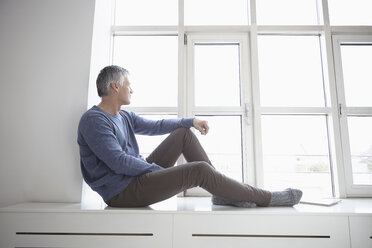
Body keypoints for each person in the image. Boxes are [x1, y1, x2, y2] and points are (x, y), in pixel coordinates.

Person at [77, 65, 302, 208]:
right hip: (122, 192)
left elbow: (157, 126)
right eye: (129, 85)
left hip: (135, 177)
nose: (132, 90)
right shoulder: (94, 120)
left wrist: (191, 122)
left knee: (183, 134)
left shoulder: (123, 116)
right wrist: (157, 170)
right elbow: (118, 161)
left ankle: (222, 194)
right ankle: (267, 198)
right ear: (115, 87)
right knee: (199, 170)